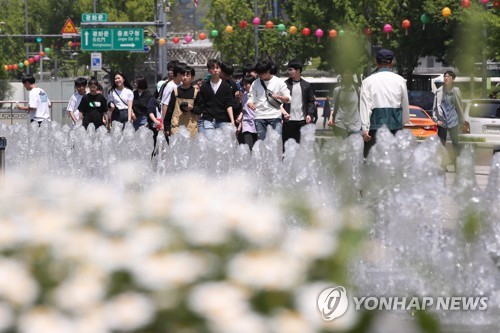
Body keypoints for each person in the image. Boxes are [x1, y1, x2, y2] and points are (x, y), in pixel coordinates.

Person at [360, 49, 409, 158]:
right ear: (392, 62)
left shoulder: (367, 81)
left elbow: (365, 106)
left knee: (370, 162)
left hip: (374, 126)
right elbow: (405, 103)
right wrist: (404, 121)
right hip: (395, 125)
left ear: (376, 62)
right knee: (394, 161)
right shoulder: (400, 80)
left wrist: (364, 128)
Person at [247, 60, 291, 141]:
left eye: (261, 74)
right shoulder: (255, 83)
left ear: (268, 71)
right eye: (258, 74)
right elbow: (251, 97)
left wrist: (279, 97)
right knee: (261, 142)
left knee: (276, 141)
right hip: (259, 116)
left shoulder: (279, 82)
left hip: (275, 116)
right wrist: (250, 103)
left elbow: (288, 99)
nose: (259, 76)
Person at [432, 70, 464, 165]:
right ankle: (443, 163)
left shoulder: (456, 91)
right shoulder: (439, 91)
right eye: (445, 76)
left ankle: (456, 162)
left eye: (449, 76)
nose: (446, 78)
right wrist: (436, 120)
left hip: (453, 120)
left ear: (452, 79)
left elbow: (459, 107)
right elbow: (434, 107)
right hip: (442, 121)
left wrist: (461, 121)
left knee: (456, 143)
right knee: (441, 144)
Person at [196, 59, 235, 134]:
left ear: (220, 69)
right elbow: (201, 105)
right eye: (213, 68)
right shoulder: (204, 86)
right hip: (208, 119)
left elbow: (229, 104)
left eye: (217, 68)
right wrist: (197, 122)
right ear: (209, 70)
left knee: (221, 143)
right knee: (210, 142)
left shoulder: (226, 86)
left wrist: (232, 120)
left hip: (223, 120)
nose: (215, 70)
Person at [282, 59, 315, 144]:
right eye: (288, 69)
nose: (288, 71)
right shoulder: (284, 84)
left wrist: (309, 114)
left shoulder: (306, 85)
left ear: (298, 70)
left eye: (291, 69)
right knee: (287, 146)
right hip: (288, 120)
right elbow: (279, 102)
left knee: (301, 145)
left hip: (302, 120)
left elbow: (311, 101)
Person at [165, 66, 202, 138]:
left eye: (187, 75)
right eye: (183, 75)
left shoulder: (196, 92)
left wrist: (192, 108)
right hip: (177, 125)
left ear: (192, 77)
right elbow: (170, 110)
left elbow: (199, 110)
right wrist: (166, 126)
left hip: (191, 127)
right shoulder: (175, 91)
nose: (184, 77)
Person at [328, 71, 361, 138]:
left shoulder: (358, 90)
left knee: (354, 147)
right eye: (345, 78)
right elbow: (333, 105)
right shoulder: (337, 90)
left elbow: (362, 106)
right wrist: (331, 117)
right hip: (340, 123)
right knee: (342, 147)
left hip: (355, 124)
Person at [236, 75, 258, 149]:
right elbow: (244, 110)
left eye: (246, 84)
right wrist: (239, 125)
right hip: (246, 124)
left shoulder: (258, 95)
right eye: (243, 84)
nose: (244, 86)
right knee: (248, 147)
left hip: (257, 123)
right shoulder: (244, 95)